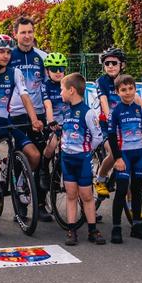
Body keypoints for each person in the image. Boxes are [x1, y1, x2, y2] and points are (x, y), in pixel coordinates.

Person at [0, 33, 43, 235]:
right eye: (1, 52)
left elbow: (25, 96)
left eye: (7, 52)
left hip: (7, 121)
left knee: (34, 155)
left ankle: (20, 183)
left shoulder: (15, 72)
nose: (5, 55)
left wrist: (34, 120)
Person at [54, 73, 105, 246]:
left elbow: (98, 136)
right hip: (67, 159)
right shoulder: (65, 110)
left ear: (71, 90)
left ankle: (92, 230)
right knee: (71, 194)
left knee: (86, 195)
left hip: (82, 159)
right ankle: (71, 230)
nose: (60, 93)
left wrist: (87, 150)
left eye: (62, 89)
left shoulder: (88, 112)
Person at [9, 18, 50, 206]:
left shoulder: (42, 56)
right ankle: (21, 205)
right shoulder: (8, 56)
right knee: (20, 156)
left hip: (38, 112)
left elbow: (50, 84)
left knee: (41, 160)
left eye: (30, 32)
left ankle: (40, 204)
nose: (27, 36)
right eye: (23, 32)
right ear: (15, 34)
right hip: (15, 113)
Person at [106, 73, 142, 242]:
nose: (128, 92)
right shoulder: (115, 111)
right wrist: (117, 158)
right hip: (124, 154)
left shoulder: (140, 109)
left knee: (137, 189)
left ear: (135, 89)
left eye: (131, 88)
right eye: (123, 90)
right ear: (117, 92)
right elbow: (111, 136)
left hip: (139, 154)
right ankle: (116, 227)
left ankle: (137, 226)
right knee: (121, 189)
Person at [93, 47, 127, 197]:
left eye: (114, 63)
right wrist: (110, 118)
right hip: (105, 125)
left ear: (122, 65)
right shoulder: (102, 81)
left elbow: (136, 100)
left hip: (124, 124)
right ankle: (100, 179)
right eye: (107, 63)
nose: (111, 66)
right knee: (114, 152)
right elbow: (104, 101)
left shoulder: (126, 80)